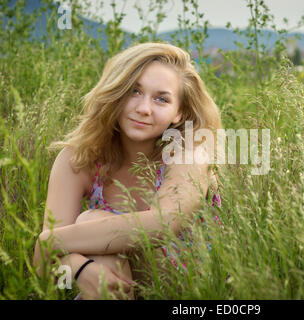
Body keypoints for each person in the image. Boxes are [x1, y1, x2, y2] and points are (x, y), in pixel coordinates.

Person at [32, 42, 223, 300]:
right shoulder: (77, 160)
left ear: (179, 112)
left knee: (91, 224)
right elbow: (46, 266)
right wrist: (79, 268)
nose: (144, 108)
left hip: (187, 290)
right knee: (95, 249)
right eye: (134, 91)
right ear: (116, 92)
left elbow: (163, 224)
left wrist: (52, 243)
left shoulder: (190, 154)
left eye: (161, 99)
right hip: (111, 282)